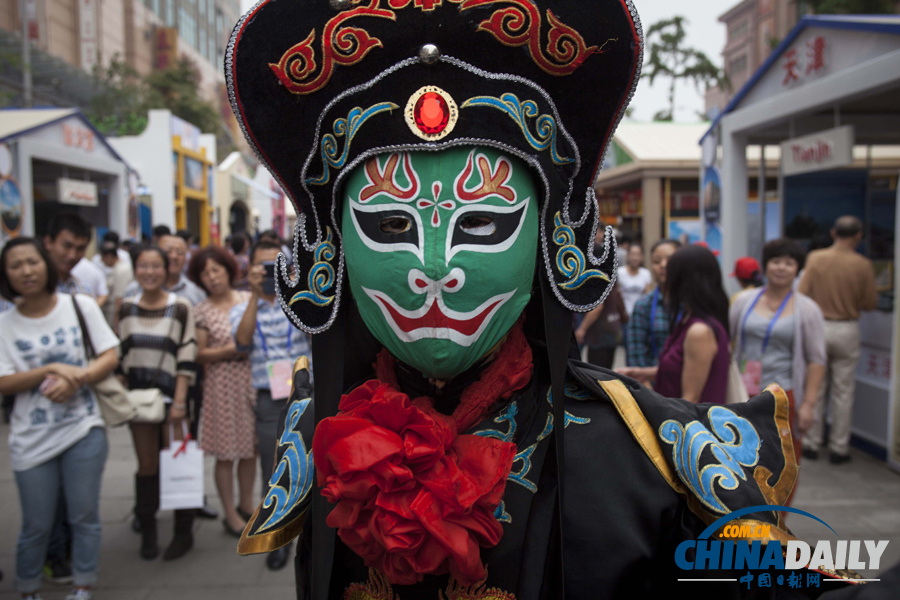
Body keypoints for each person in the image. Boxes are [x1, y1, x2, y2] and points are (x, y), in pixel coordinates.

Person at [226, 0, 870, 595]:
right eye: (391, 225)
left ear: (547, 242)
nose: (433, 269)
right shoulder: (320, 436)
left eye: (480, 224)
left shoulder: (649, 458)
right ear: (334, 247)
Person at [0, 237, 119, 600]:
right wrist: (51, 370)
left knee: (84, 516)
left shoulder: (79, 305)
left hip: (83, 428)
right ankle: (28, 587)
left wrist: (77, 379)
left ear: (46, 264)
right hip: (31, 437)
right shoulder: (5, 324)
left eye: (32, 262)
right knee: (35, 524)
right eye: (16, 265)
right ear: (6, 274)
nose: (26, 271)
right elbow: (4, 381)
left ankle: (83, 584)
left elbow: (110, 354)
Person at [230, 239, 311, 571]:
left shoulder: (297, 300)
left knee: (309, 467)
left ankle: (307, 533)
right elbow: (242, 342)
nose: (268, 272)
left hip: (305, 393)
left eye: (274, 265)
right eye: (262, 267)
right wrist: (253, 294)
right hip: (268, 398)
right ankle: (278, 538)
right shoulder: (244, 305)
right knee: (273, 468)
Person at [730, 238, 826, 506]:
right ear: (765, 265)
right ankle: (745, 516)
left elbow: (817, 360)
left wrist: (809, 404)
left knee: (785, 461)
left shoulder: (808, 309)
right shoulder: (744, 301)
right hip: (744, 392)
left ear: (797, 269)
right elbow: (730, 343)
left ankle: (776, 523)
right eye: (776, 261)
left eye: (789, 262)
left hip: (785, 396)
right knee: (741, 456)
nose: (781, 268)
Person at [118, 245, 198, 561]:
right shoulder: (125, 308)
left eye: (156, 266)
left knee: (177, 463)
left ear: (166, 270)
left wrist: (179, 403)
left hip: (173, 399)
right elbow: (121, 356)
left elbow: (187, 355)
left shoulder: (180, 307)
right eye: (143, 266)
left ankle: (183, 533)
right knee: (147, 466)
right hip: (139, 401)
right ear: (135, 269)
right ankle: (148, 531)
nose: (149, 272)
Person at [187, 247, 257, 538]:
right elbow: (199, 354)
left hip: (251, 379)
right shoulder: (201, 310)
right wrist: (235, 349)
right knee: (226, 453)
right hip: (221, 384)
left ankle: (247, 504)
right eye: (205, 272)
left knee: (250, 449)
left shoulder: (245, 299)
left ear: (229, 270)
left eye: (216, 270)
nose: (211, 277)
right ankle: (229, 513)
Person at [799, 216, 878, 464]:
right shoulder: (863, 264)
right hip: (847, 328)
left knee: (816, 388)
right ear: (858, 236)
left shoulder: (816, 258)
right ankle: (839, 447)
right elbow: (870, 302)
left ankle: (811, 442)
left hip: (818, 325)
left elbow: (802, 293)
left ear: (833, 233)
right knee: (843, 391)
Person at [620, 245, 731, 404]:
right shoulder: (690, 319)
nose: (664, 270)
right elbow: (684, 370)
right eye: (657, 261)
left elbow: (690, 400)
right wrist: (643, 373)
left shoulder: (699, 331)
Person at [625, 239, 681, 367]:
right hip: (651, 385)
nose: (663, 265)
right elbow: (636, 358)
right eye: (656, 261)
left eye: (669, 259)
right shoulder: (643, 306)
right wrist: (646, 385)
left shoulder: (691, 304)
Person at [123, 234, 206, 306]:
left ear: (186, 257)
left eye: (180, 252)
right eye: (167, 251)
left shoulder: (196, 293)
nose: (174, 256)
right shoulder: (134, 290)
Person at [574, 284, 627, 368]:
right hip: (612, 327)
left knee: (597, 372)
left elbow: (597, 307)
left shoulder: (598, 281)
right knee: (606, 371)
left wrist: (582, 329)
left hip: (599, 334)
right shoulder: (611, 279)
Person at [616, 243, 652, 318]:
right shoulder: (620, 272)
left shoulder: (646, 274)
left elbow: (648, 295)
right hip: (623, 315)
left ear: (642, 257)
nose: (635, 258)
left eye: (638, 254)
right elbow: (616, 294)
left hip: (640, 315)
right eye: (632, 254)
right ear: (628, 256)